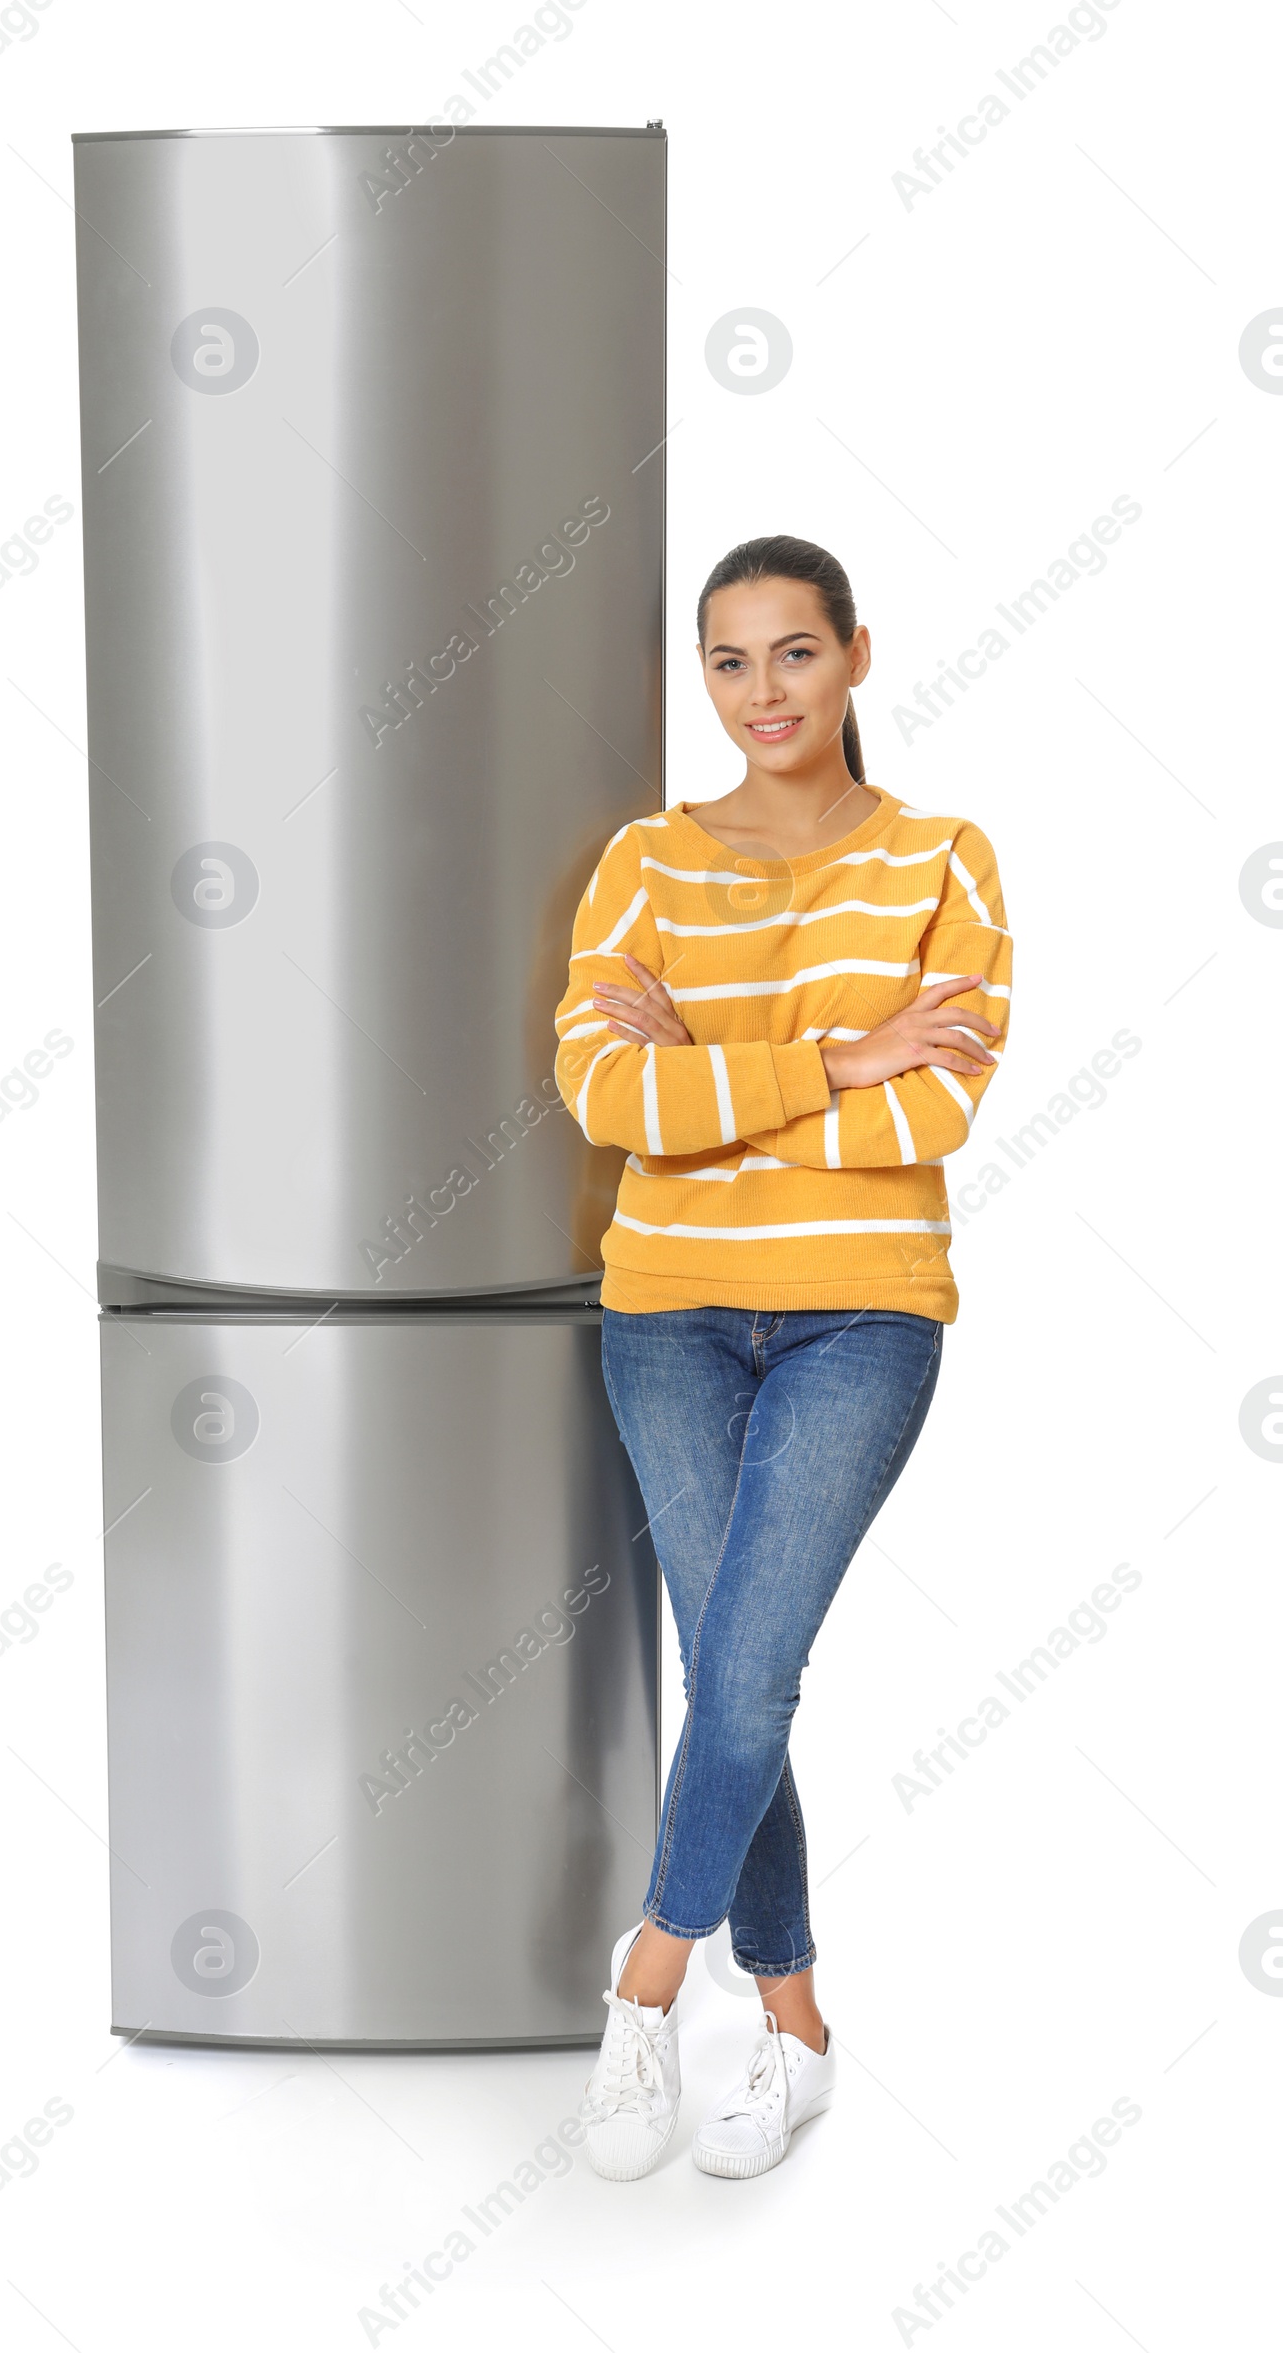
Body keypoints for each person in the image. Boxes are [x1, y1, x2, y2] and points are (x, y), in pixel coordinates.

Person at [552, 534, 1012, 2182]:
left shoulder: (943, 857)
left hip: (862, 1316)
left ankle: (647, 1996)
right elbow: (609, 1100)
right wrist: (842, 1048)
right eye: (731, 663)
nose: (763, 693)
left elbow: (937, 1104)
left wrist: (721, 1073)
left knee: (744, 1674)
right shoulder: (647, 863)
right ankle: (799, 2032)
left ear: (857, 657)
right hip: (664, 1316)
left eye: (795, 655)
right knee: (741, 1673)